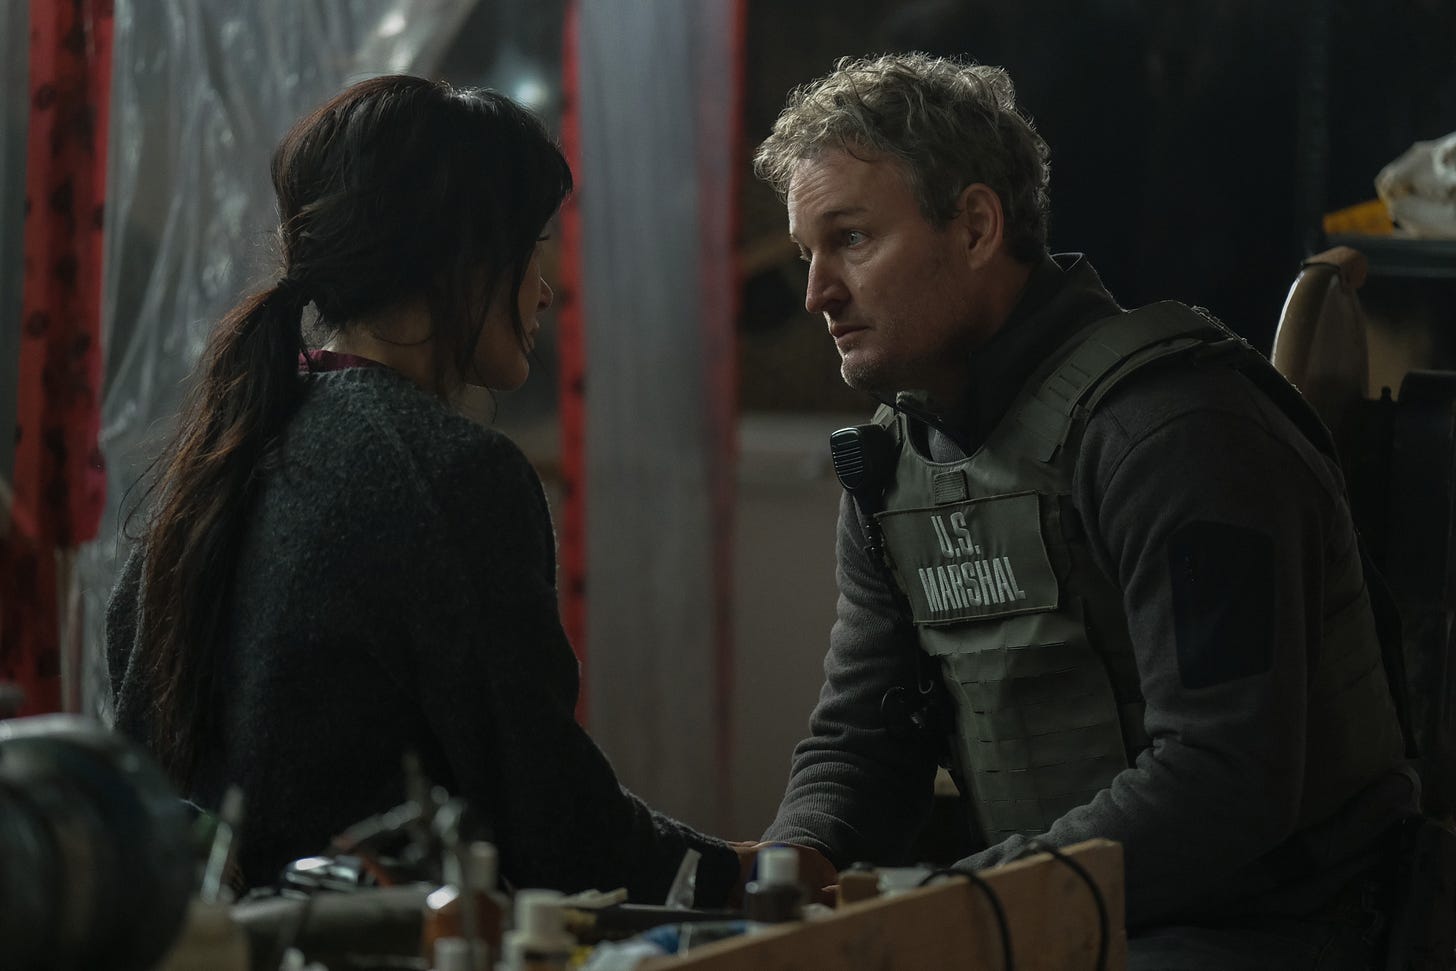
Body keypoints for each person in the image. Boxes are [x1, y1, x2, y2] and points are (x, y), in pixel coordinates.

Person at [753, 53, 1418, 967]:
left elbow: (1225, 778)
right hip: (1073, 916)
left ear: (977, 226)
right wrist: (784, 872)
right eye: (808, 254)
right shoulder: (895, 463)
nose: (817, 292)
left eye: (853, 239)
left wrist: (962, 907)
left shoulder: (1172, 432)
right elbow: (865, 737)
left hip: (1277, 925)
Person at [106, 74, 743, 905]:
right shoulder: (449, 471)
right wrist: (741, 876)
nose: (545, 288)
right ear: (461, 257)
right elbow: (555, 818)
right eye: (531, 246)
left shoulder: (224, 447)